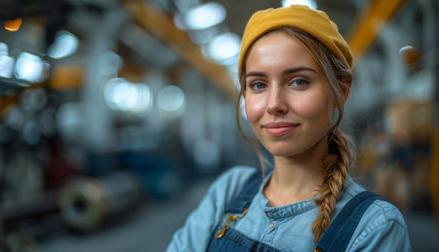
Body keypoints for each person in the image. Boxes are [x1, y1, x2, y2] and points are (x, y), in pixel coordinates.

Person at [167, 5, 411, 252]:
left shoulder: (373, 225)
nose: (274, 105)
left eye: (299, 82)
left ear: (341, 92)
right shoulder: (229, 189)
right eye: (259, 85)